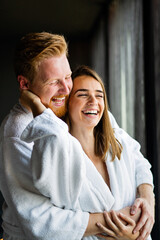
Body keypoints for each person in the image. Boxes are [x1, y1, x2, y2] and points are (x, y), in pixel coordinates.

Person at [0, 32, 154, 240]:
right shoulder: (18, 133)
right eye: (54, 81)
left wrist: (147, 199)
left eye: (67, 76)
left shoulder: (74, 107)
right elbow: (41, 220)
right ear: (25, 85)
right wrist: (120, 230)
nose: (66, 89)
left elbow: (135, 156)